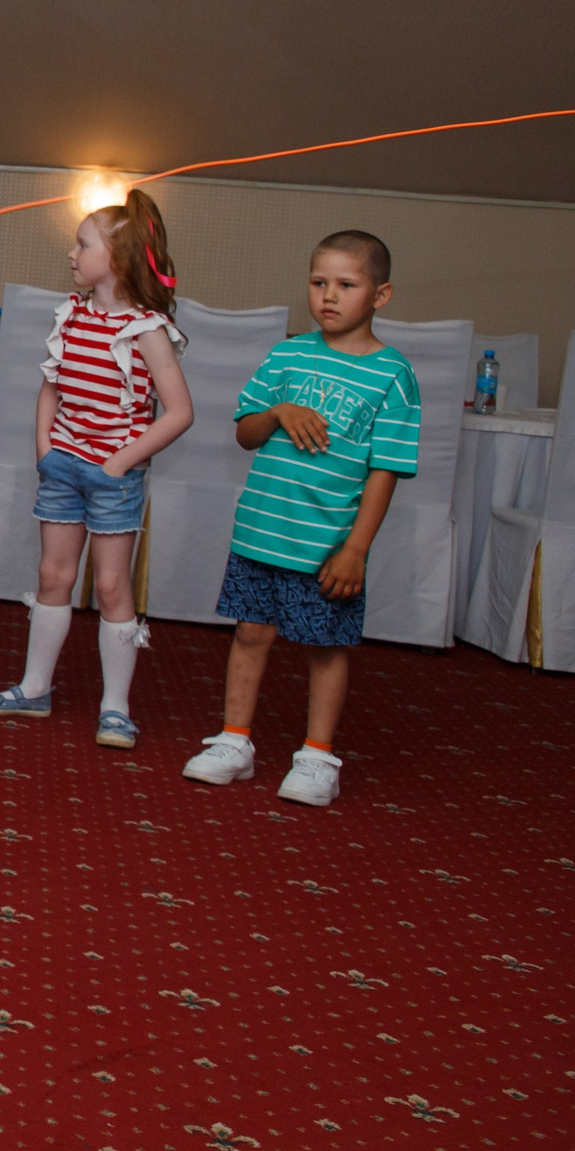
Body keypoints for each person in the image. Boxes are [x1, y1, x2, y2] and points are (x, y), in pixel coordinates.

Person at [181, 231, 418, 807]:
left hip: (326, 543)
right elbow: (245, 433)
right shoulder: (287, 355)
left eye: (346, 285)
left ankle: (317, 757)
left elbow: (385, 471)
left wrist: (356, 549)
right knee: (250, 632)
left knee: (324, 647)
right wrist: (279, 411)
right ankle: (234, 742)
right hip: (261, 530)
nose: (328, 297)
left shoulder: (393, 377)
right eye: (318, 283)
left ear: (380, 295)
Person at [0, 191, 193, 748]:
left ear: (117, 258)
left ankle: (115, 708)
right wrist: (45, 448)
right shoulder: (71, 314)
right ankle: (34, 688)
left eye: (83, 244)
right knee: (52, 577)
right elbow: (52, 387)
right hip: (63, 466)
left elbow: (180, 412)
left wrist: (118, 463)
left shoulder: (147, 329)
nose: (72, 253)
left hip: (113, 475)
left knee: (113, 586)